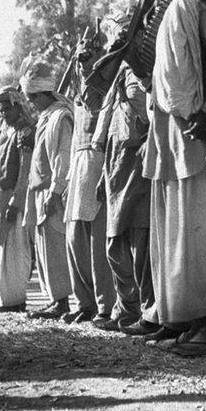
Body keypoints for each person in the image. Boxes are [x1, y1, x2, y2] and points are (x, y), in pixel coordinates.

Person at [133, 0, 206, 352]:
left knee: (200, 232)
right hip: (165, 135)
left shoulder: (198, 4)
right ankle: (178, 316)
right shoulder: (160, 14)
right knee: (173, 232)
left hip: (196, 133)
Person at [92, 25, 155, 334]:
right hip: (116, 163)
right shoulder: (118, 73)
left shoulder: (147, 69)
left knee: (140, 239)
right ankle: (124, 308)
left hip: (139, 158)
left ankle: (145, 311)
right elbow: (105, 121)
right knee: (115, 243)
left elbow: (152, 113)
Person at [63, 43, 117, 326]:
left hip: (100, 163)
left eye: (88, 57)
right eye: (79, 57)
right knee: (75, 240)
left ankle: (105, 306)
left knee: (98, 243)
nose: (83, 62)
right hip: (78, 168)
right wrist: (68, 179)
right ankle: (83, 302)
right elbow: (74, 142)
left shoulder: (107, 90)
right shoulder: (78, 96)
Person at [19, 60, 75, 321]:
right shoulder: (45, 117)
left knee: (54, 246)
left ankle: (62, 301)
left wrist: (55, 191)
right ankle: (55, 299)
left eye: (32, 97)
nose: (30, 102)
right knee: (44, 247)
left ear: (43, 94)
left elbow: (63, 156)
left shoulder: (60, 117)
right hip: (40, 189)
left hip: (55, 190)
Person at [0, 86, 36, 313]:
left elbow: (25, 170)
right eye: (0, 110)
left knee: (14, 248)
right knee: (1, 247)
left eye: (6, 109)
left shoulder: (25, 132)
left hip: (14, 196)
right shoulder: (6, 133)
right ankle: (6, 298)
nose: (3, 114)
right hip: (0, 196)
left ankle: (15, 299)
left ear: (17, 106)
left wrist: (17, 200)